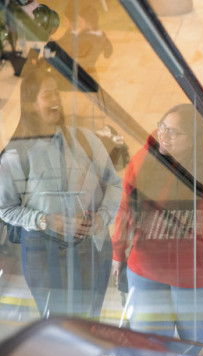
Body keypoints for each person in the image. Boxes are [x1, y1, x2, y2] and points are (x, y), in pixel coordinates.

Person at [110, 104, 203, 346]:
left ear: (193, 139)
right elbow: (126, 210)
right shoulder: (143, 160)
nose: (163, 136)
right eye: (162, 127)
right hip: (147, 271)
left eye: (174, 132)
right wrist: (118, 252)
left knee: (197, 346)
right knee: (150, 346)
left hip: (199, 277)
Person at [0, 66, 122, 318]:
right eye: (48, 95)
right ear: (31, 104)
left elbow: (114, 184)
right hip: (45, 252)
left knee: (90, 322)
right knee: (58, 324)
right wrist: (45, 221)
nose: (56, 100)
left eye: (57, 93)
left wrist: (102, 217)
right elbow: (4, 208)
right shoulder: (17, 154)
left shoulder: (86, 140)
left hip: (92, 249)